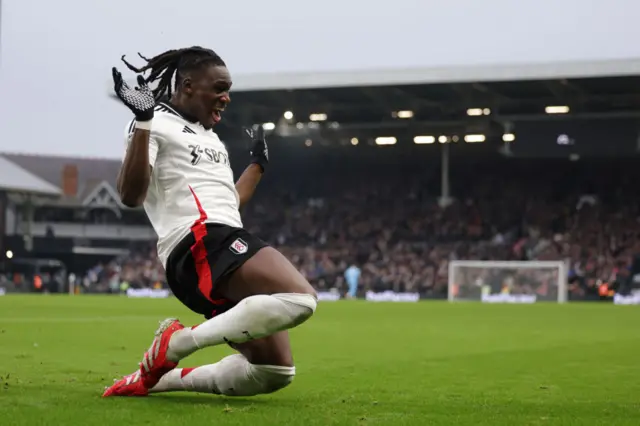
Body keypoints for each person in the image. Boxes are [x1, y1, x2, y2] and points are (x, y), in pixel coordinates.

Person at [102, 47, 317, 398]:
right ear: (187, 85)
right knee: (300, 298)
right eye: (219, 88)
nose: (226, 98)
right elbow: (130, 195)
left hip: (216, 244)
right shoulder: (154, 121)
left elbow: (227, 202)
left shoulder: (210, 137)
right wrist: (142, 120)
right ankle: (178, 344)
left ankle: (157, 380)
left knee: (274, 372)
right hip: (199, 243)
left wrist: (257, 165)